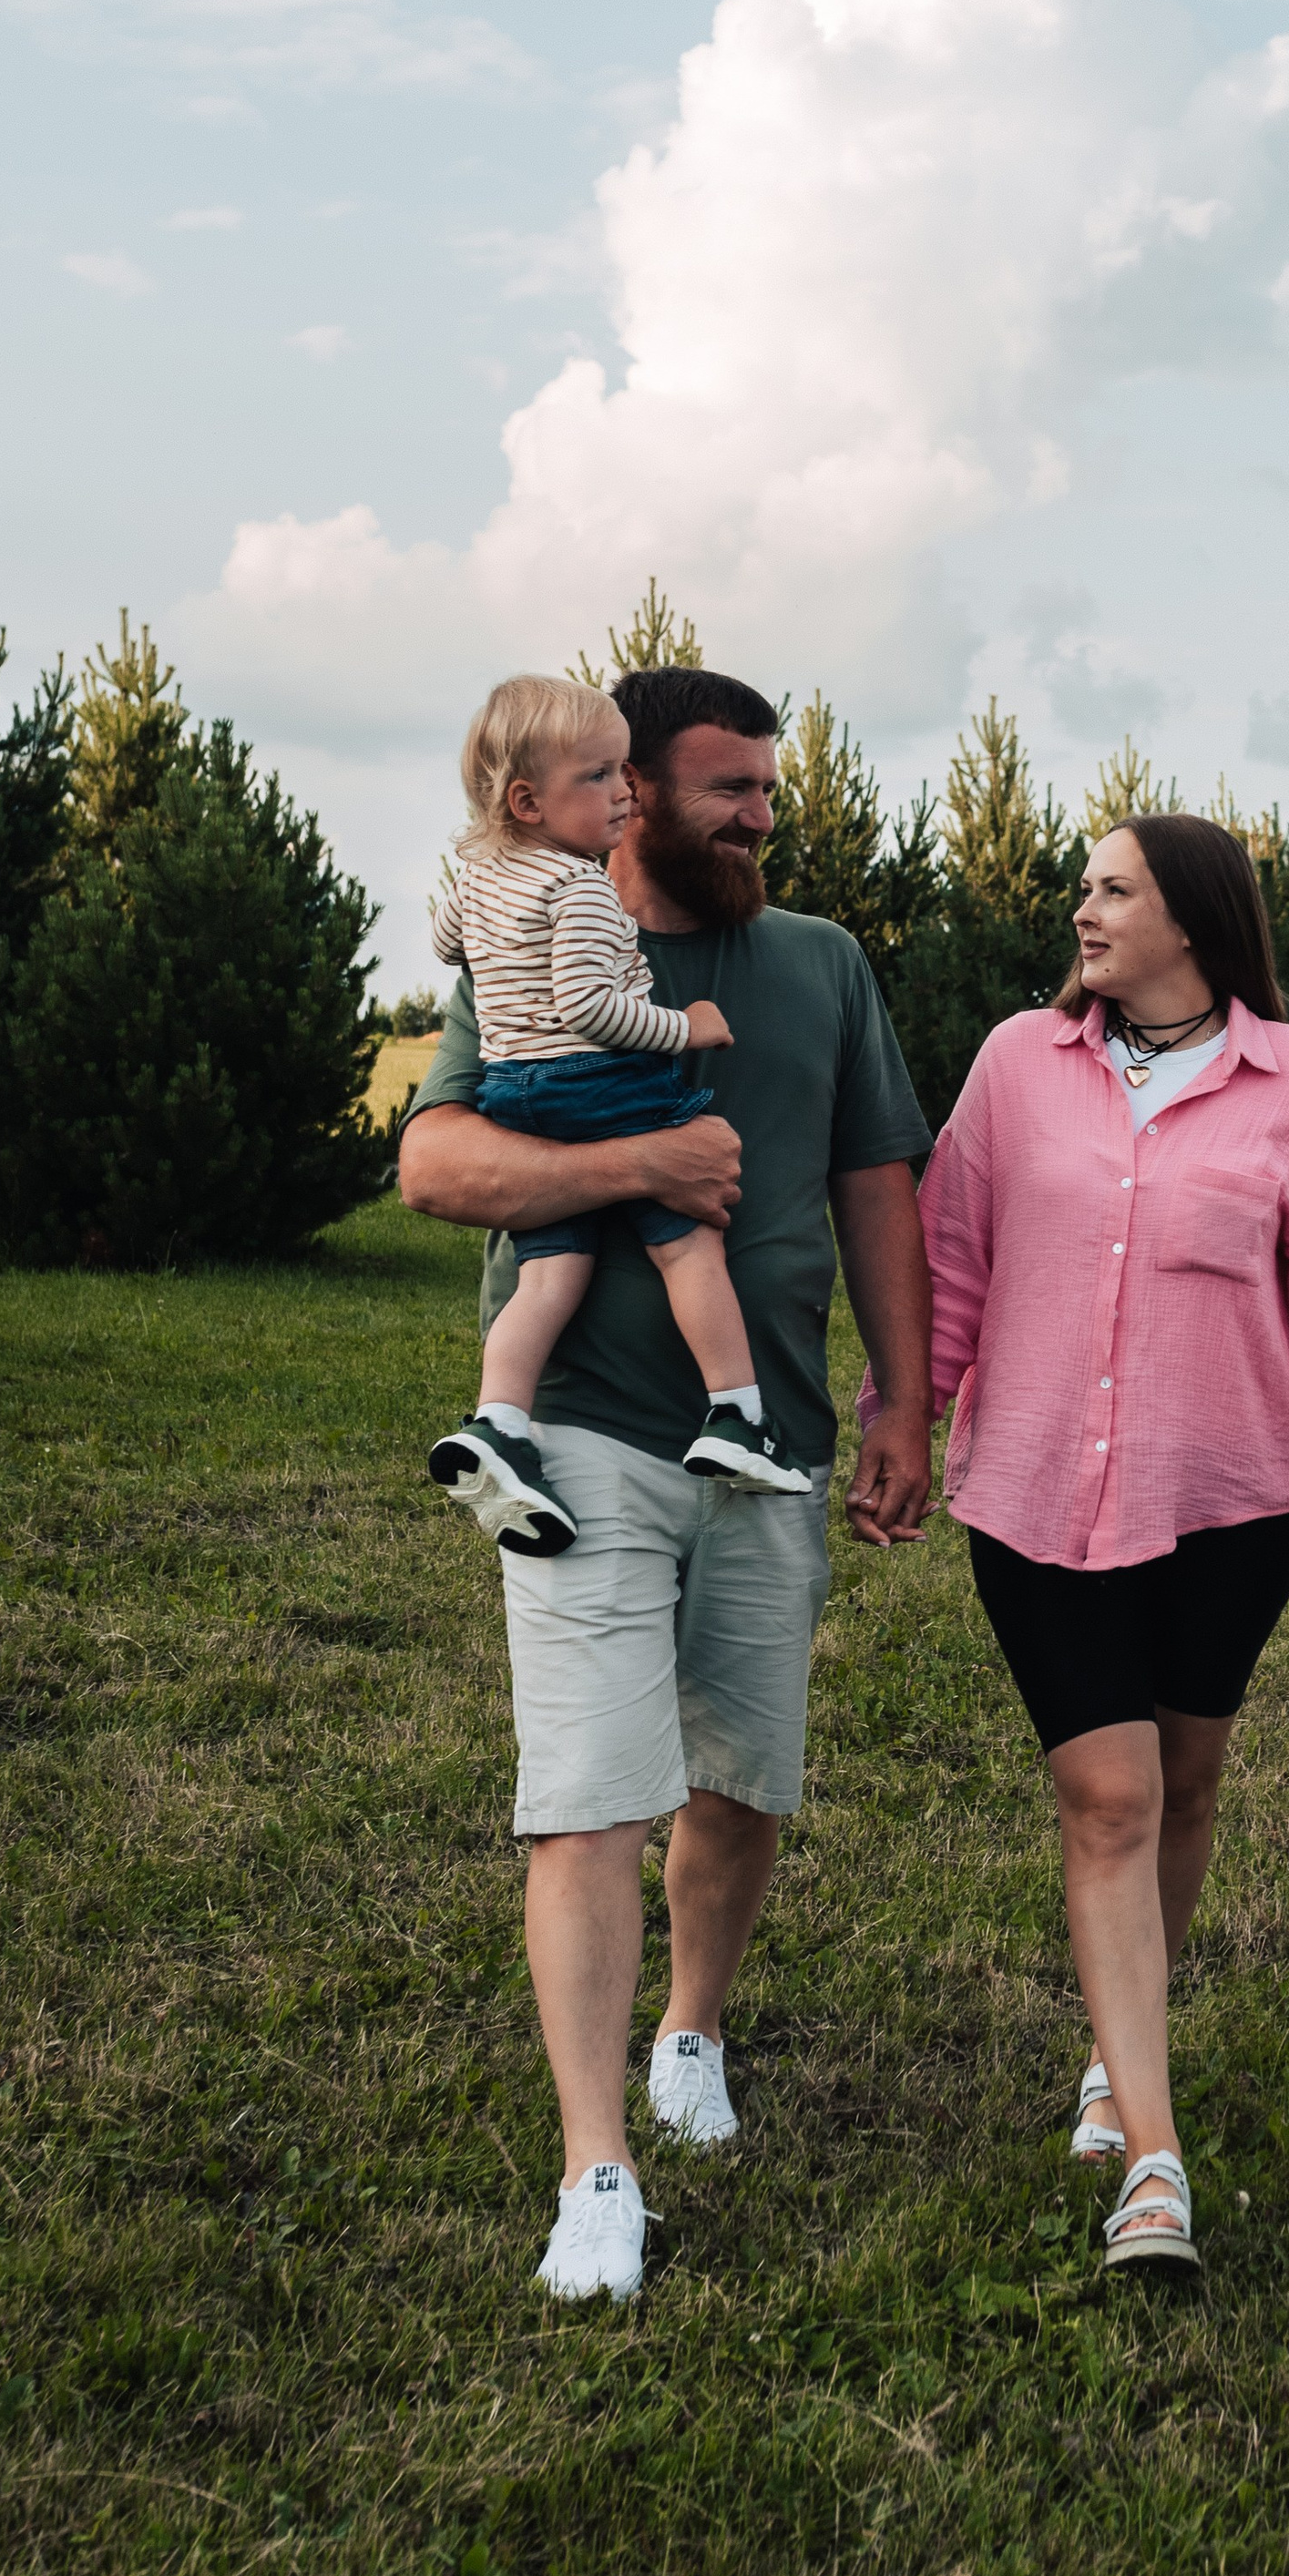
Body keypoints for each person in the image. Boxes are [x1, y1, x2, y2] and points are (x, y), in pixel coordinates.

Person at [397, 664, 934, 2305]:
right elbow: (435, 1165)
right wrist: (640, 1165)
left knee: (742, 1781)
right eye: (728, 791)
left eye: (768, 789)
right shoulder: (542, 943)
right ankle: (595, 2169)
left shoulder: (821, 965)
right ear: (629, 795)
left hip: (767, 1445)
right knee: (589, 1803)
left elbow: (876, 1186)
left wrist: (909, 1397)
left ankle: (690, 2032)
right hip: (579, 1434)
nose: (760, 817)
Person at [900, 812, 1289, 2276]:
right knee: (1111, 1797)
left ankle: (1110, 2053)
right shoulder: (1018, 1064)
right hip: (1034, 1497)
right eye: (1084, 885)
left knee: (1185, 1788)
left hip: (1231, 1504)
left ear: (1191, 920)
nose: (1083, 911)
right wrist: (904, 1420)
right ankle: (1152, 2157)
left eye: (1112, 890)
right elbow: (954, 1260)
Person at [425, 672, 799, 1554]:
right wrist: (686, 1026)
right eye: (599, 778)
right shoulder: (581, 889)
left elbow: (448, 944)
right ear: (527, 800)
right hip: (595, 1084)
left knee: (549, 1275)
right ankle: (737, 1414)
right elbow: (593, 1007)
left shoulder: (477, 879)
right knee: (687, 1239)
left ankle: (498, 1425)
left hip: (515, 1095)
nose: (619, 795)